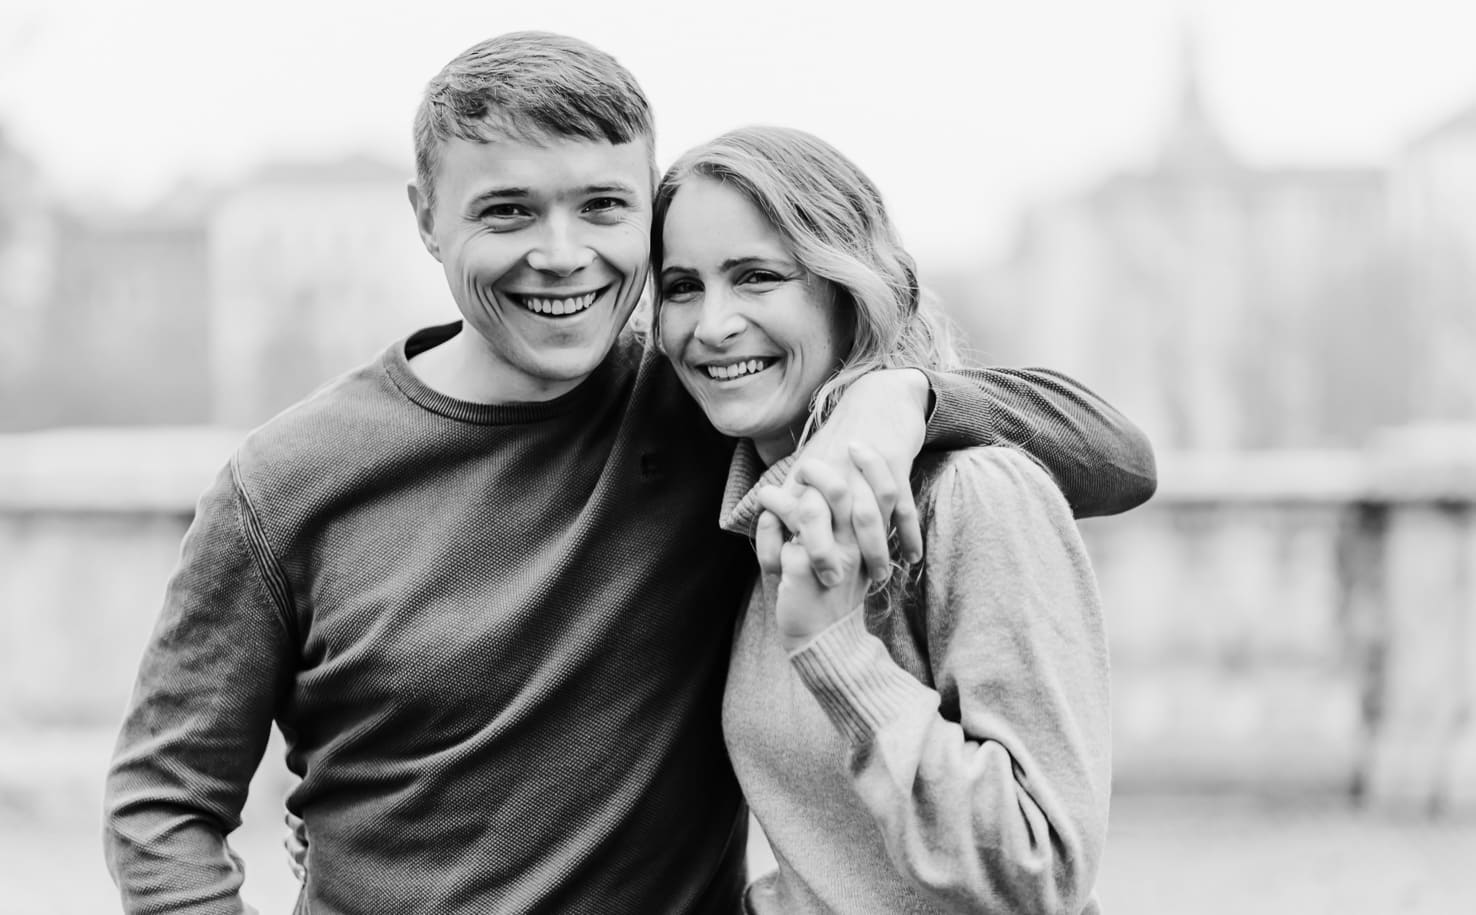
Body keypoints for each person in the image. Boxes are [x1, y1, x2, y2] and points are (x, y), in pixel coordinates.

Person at [103, 32, 1152, 914]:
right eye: (508, 211)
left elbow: (1115, 454)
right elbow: (163, 805)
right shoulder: (286, 482)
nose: (562, 254)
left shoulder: (709, 407)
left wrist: (898, 402)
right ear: (426, 214)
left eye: (602, 208)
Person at [650, 125, 1114, 914]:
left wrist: (840, 655)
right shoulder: (754, 506)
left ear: (847, 287)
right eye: (683, 286)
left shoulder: (973, 496)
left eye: (757, 277)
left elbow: (1039, 873)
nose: (713, 323)